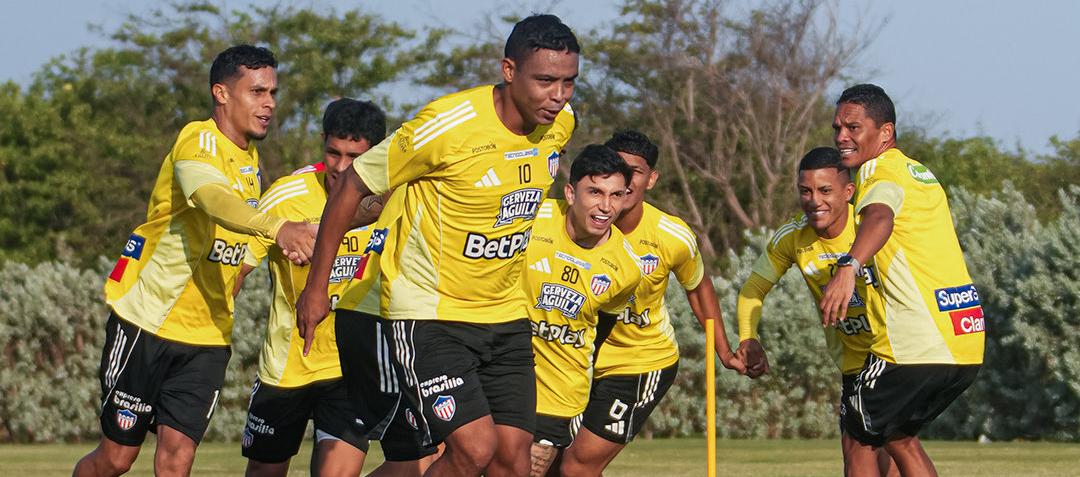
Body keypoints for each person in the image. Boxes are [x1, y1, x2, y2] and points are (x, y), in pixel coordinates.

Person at [295, 14, 579, 477]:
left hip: (505, 314)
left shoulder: (560, 123)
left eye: (569, 83)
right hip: (431, 315)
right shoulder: (447, 125)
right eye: (545, 80)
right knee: (474, 449)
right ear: (509, 71)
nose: (559, 96)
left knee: (513, 459)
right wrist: (315, 287)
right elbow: (351, 187)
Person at [74, 45, 317, 477]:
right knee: (115, 459)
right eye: (257, 91)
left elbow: (231, 248)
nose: (269, 104)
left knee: (177, 459)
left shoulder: (251, 161)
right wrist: (277, 227)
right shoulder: (197, 139)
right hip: (149, 321)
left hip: (208, 337)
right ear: (221, 93)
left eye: (273, 92)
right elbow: (212, 198)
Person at [234, 98, 437, 476]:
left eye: (354, 157)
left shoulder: (397, 197)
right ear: (323, 142)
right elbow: (237, 269)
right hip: (285, 368)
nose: (341, 167)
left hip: (348, 369)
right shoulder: (285, 196)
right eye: (333, 153)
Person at [819, 84, 985, 476]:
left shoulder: (880, 170)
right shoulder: (920, 172)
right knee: (898, 437)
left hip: (914, 344)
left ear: (885, 133)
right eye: (837, 127)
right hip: (964, 341)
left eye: (854, 128)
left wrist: (848, 267)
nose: (842, 137)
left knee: (858, 435)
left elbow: (880, 217)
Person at [561, 130, 744, 476]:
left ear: (652, 179)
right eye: (618, 169)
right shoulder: (568, 224)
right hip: (575, 362)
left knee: (577, 467)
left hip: (639, 363)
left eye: (636, 172)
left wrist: (724, 351)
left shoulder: (670, 236)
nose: (626, 181)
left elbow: (699, 287)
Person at [735, 146, 898, 477]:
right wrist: (748, 337)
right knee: (865, 451)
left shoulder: (868, 224)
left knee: (879, 448)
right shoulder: (793, 236)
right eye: (805, 191)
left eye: (825, 191)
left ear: (848, 191)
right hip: (853, 362)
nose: (814, 200)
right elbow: (753, 290)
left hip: (895, 353)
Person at [524, 145, 643, 477]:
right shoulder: (532, 220)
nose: (606, 206)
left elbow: (603, 330)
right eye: (595, 192)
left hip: (558, 396)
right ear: (570, 192)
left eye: (616, 195)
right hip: (497, 376)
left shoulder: (626, 268)